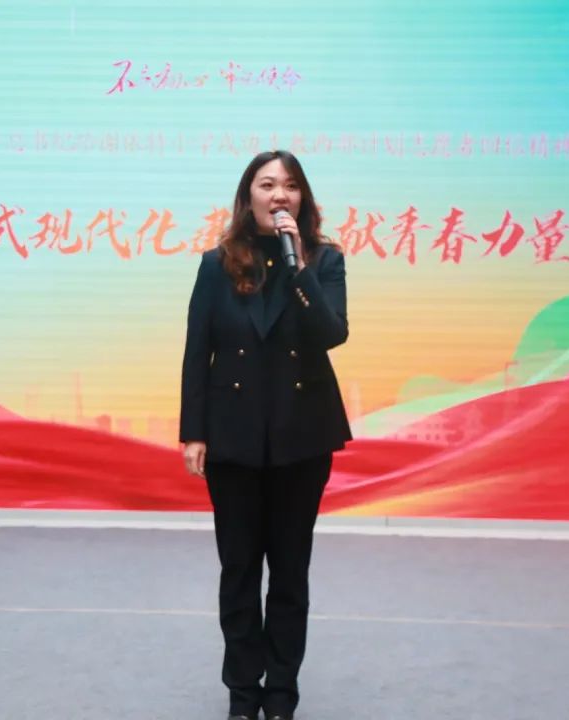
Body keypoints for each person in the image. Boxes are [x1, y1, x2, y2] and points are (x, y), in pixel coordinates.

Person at [179, 150, 351, 720]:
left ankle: (280, 694)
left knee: (290, 573)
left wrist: (299, 269)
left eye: (291, 186)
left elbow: (332, 334)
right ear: (248, 196)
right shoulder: (217, 264)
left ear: (302, 199)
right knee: (239, 571)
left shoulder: (323, 260)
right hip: (232, 438)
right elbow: (197, 350)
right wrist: (193, 431)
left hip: (303, 438)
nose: (280, 195)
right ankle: (242, 692)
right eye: (268, 184)